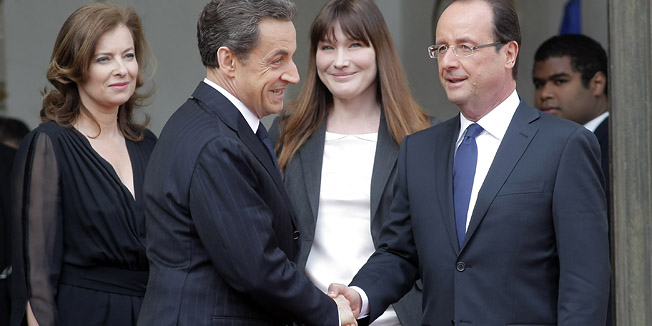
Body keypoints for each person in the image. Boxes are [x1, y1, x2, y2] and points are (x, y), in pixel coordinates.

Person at [329, 0, 610, 324]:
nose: (448, 61)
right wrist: (360, 296)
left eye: (465, 47)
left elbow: (585, 281)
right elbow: (400, 253)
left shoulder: (565, 146)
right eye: (442, 48)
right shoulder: (419, 150)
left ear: (509, 53)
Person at [138, 1, 355, 325]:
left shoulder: (204, 122)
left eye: (292, 56)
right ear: (228, 61)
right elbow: (257, 268)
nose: (294, 74)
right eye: (277, 59)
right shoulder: (217, 144)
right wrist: (330, 312)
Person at [269, 0, 435, 325]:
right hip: (307, 316)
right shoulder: (287, 131)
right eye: (327, 47)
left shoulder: (424, 137)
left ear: (379, 51)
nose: (340, 61)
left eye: (355, 45)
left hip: (395, 320)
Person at [10, 3, 156, 325]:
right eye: (104, 58)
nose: (122, 69)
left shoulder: (149, 145)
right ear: (74, 68)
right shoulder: (50, 145)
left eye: (128, 55)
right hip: (85, 313)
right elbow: (37, 279)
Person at [532, 34, 610, 205]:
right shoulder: (542, 147)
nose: (545, 94)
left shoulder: (620, 147)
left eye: (559, 81)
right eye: (539, 84)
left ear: (597, 83)